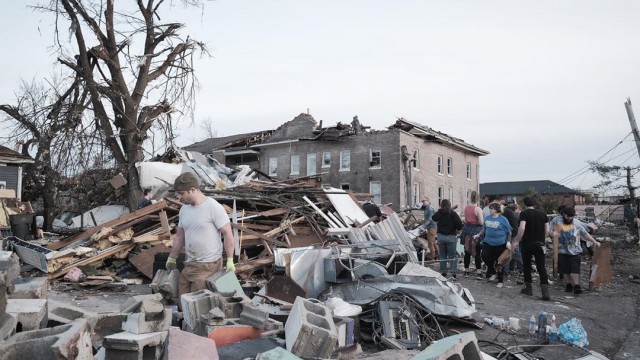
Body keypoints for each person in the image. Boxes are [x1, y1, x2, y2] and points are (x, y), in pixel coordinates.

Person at [166, 172, 236, 299]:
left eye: (181, 193)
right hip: (189, 265)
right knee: (182, 300)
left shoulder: (213, 207)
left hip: (208, 265)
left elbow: (227, 233)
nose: (178, 197)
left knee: (197, 305)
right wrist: (172, 257)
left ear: (192, 190)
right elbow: (180, 237)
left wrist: (230, 259)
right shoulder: (184, 210)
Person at [552, 207, 601, 295]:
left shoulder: (576, 222)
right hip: (561, 250)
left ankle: (577, 286)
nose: (569, 219)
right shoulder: (556, 220)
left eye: (571, 217)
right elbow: (549, 229)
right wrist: (553, 234)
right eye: (568, 217)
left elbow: (584, 233)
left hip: (575, 250)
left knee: (575, 268)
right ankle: (568, 284)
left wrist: (594, 241)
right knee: (565, 269)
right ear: (564, 214)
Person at [510, 197, 551, 300]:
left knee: (527, 266)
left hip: (527, 243)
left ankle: (528, 288)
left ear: (525, 204)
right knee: (541, 267)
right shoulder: (543, 214)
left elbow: (522, 228)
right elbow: (547, 230)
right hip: (540, 243)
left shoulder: (524, 214)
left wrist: (517, 240)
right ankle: (545, 292)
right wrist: (542, 238)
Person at [474, 202, 511, 288]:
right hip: (488, 241)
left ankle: (500, 280)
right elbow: (484, 229)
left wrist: (508, 242)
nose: (490, 210)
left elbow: (509, 232)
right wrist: (478, 235)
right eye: (490, 208)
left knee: (499, 261)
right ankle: (493, 271)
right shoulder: (487, 218)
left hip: (500, 243)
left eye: (492, 209)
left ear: (497, 210)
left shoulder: (503, 219)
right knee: (484, 256)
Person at [432, 199, 463, 279]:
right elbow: (460, 225)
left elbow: (433, 218)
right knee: (452, 256)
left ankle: (443, 272)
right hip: (451, 237)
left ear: (441, 205)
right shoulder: (453, 214)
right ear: (450, 205)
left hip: (441, 237)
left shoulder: (440, 213)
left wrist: (439, 211)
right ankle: (453, 273)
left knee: (442, 255)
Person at [460, 191, 484, 278]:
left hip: (467, 229)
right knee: (477, 252)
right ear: (478, 198)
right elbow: (481, 222)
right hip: (475, 230)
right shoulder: (478, 209)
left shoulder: (466, 208)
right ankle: (478, 272)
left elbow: (466, 220)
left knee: (467, 251)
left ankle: (466, 271)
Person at [419, 197, 439, 262]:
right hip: (430, 227)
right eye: (422, 202)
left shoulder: (430, 208)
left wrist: (424, 225)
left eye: (424, 201)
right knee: (433, 241)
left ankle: (432, 257)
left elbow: (431, 218)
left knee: (430, 242)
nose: (423, 203)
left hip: (432, 227)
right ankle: (437, 254)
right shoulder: (427, 208)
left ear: (428, 201)